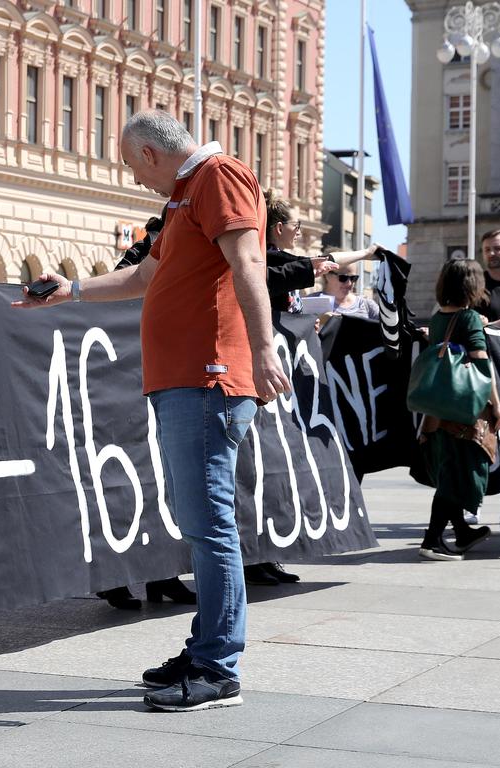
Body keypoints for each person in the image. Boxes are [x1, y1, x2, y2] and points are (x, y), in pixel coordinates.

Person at [15, 110, 292, 711]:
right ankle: (206, 649)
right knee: (201, 523)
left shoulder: (219, 177)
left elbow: (248, 264)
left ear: (148, 154)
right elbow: (148, 274)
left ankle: (218, 667)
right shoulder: (185, 197)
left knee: (210, 524)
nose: (137, 183)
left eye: (132, 168)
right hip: (183, 382)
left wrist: (266, 347)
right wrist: (73, 291)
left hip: (208, 378)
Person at [94, 209, 199, 611]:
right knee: (122, 490)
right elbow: (112, 305)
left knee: (160, 486)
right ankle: (113, 578)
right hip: (123, 388)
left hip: (161, 383)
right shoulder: (138, 261)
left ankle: (163, 573)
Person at [417, 259, 500, 561]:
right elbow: (482, 364)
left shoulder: (439, 316)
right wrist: (497, 406)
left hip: (440, 411)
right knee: (459, 478)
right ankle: (431, 542)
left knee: (451, 474)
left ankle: (462, 531)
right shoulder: (468, 318)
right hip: (465, 411)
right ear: (472, 284)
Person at [318, 247, 381, 321]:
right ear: (326, 275)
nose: (349, 283)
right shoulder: (311, 303)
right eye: (343, 278)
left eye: (353, 278)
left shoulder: (367, 305)